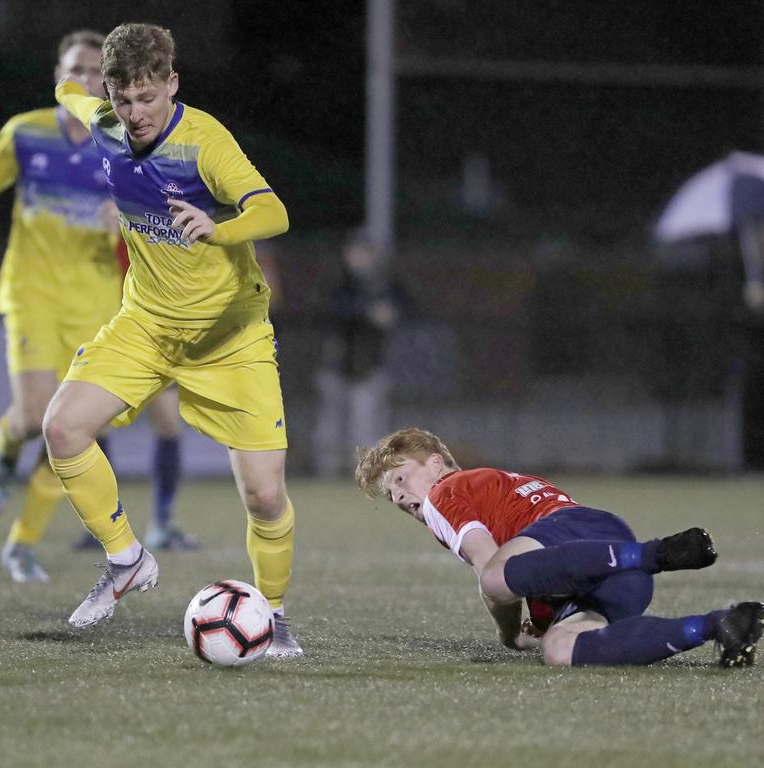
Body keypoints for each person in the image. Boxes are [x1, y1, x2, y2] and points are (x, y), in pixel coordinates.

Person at [47, 22, 301, 657]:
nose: (136, 115)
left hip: (229, 334)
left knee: (266, 497)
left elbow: (275, 212)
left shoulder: (204, 140)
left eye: (149, 99)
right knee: (62, 428)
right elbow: (68, 93)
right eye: (124, 100)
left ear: (173, 85)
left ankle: (271, 616)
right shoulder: (105, 121)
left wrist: (217, 228)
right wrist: (73, 86)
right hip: (148, 325)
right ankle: (127, 559)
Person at [0, 29, 194, 585]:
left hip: (97, 301)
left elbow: (169, 225)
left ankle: (22, 543)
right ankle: (5, 446)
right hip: (31, 292)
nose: (81, 80)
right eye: (73, 70)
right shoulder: (25, 133)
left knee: (71, 426)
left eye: (92, 73)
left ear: (106, 87)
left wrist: (126, 221)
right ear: (59, 77)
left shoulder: (129, 146)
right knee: (34, 416)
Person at [355, 427, 764, 668]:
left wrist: (510, 635)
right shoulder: (489, 484)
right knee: (560, 649)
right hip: (603, 565)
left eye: (400, 480)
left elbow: (490, 571)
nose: (399, 499)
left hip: (583, 539)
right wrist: (542, 618)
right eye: (391, 496)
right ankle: (718, 625)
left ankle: (657, 554)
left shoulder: (446, 493)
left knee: (496, 579)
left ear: (436, 463)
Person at [313, 229, 405, 477]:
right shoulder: (340, 284)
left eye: (366, 252)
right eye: (356, 251)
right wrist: (368, 312)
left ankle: (366, 475)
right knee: (331, 427)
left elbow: (404, 309)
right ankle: (327, 475)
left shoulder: (385, 284)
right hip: (337, 364)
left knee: (367, 425)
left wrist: (385, 313)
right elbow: (333, 311)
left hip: (369, 366)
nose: (360, 257)